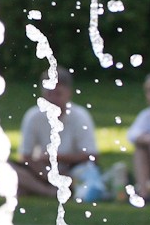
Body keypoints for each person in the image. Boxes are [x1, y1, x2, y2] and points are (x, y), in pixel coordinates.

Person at [11, 68, 107, 202]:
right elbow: (25, 156)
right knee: (8, 169)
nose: (53, 99)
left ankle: (37, 188)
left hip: (72, 170)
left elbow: (92, 156)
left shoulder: (80, 117)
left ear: (68, 93)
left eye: (58, 94)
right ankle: (49, 191)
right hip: (42, 169)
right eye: (49, 94)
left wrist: (56, 158)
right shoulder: (33, 116)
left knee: (86, 172)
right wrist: (46, 173)